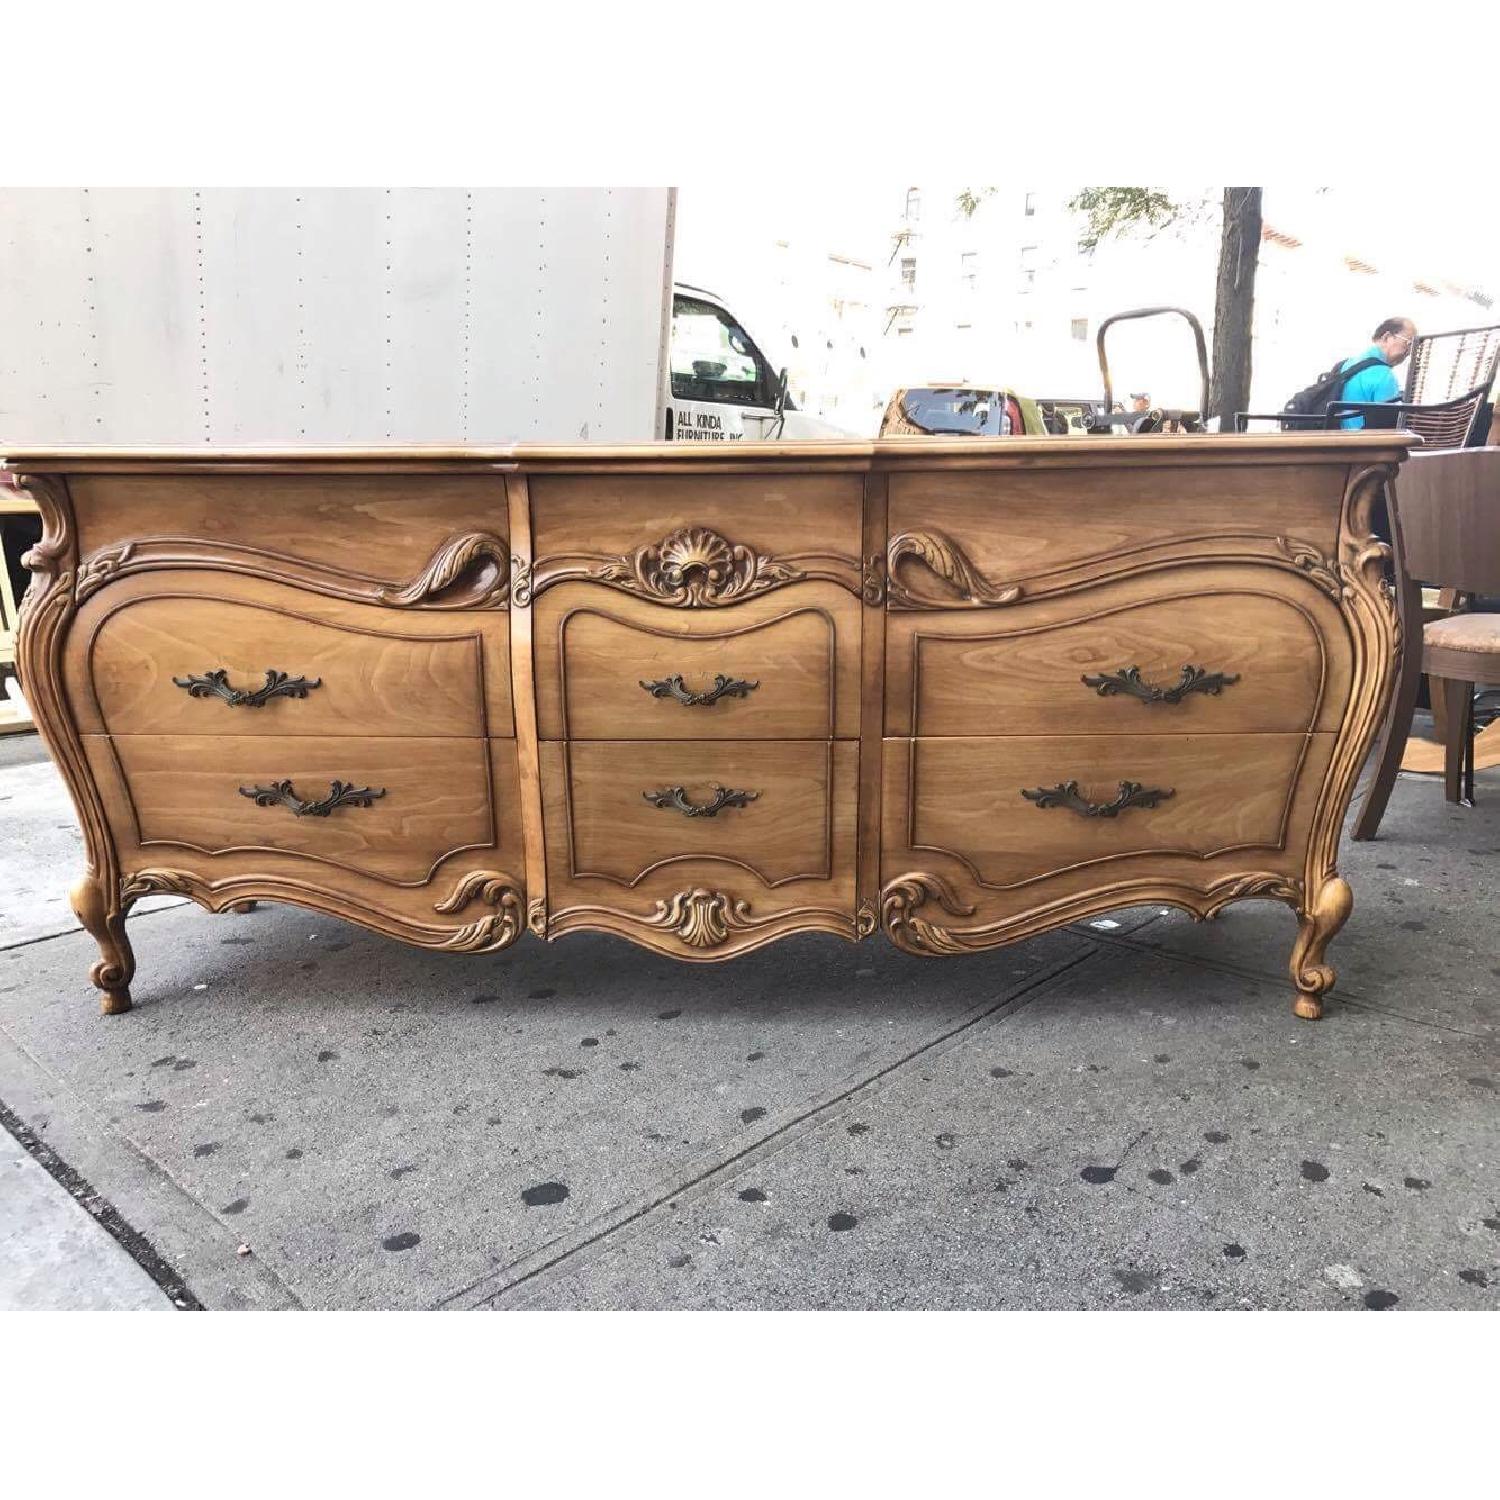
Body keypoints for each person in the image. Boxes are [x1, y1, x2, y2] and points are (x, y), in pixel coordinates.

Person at [1336, 318, 1415, 428]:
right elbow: (1389, 425)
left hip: (1334, 439)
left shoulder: (1346, 364)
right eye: (1409, 343)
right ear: (1387, 337)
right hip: (1362, 442)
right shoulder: (1384, 375)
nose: (1410, 352)